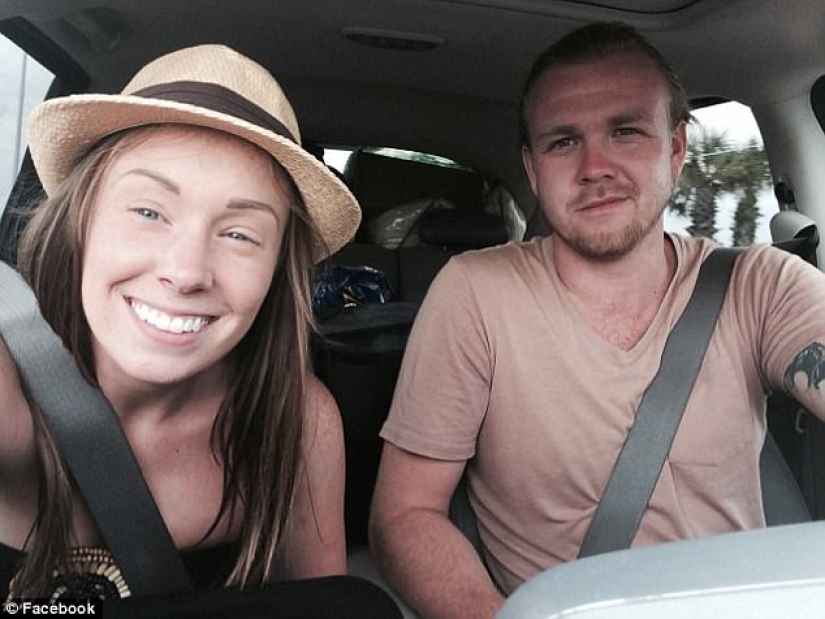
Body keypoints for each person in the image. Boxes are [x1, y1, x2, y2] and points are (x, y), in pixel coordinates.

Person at [369, 21, 825, 619]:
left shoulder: (760, 284)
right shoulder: (475, 293)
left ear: (676, 149)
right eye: (563, 142)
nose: (595, 166)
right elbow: (406, 514)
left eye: (625, 131)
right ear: (533, 169)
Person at [0, 44, 361, 600]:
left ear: (275, 271)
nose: (187, 272)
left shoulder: (298, 420)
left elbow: (323, 608)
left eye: (239, 234)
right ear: (80, 221)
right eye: (148, 212)